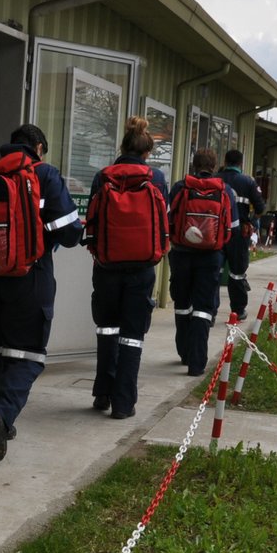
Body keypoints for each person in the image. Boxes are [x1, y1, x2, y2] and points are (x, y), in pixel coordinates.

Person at [0, 125, 82, 461]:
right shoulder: (43, 174)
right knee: (27, 353)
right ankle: (1, 413)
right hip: (30, 276)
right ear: (39, 148)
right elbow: (71, 232)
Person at [84, 116, 170, 416]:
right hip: (142, 268)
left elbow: (92, 223)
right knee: (132, 335)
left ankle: (102, 392)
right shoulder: (155, 178)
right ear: (146, 152)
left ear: (122, 145)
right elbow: (164, 222)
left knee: (107, 330)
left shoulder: (103, 176)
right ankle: (123, 402)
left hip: (106, 267)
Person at [167, 148, 235, 377]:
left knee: (182, 303)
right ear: (215, 166)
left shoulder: (180, 187)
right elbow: (231, 227)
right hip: (211, 257)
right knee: (204, 309)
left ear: (193, 165)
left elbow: (169, 219)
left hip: (182, 254)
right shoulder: (224, 190)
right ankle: (196, 363)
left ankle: (184, 352)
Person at [219, 149, 266, 319]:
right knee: (237, 273)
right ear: (240, 163)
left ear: (225, 161)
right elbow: (260, 208)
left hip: (217, 232)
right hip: (239, 234)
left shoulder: (216, 179)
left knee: (213, 271)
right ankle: (238, 311)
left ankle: (208, 312)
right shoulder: (248, 182)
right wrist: (251, 221)